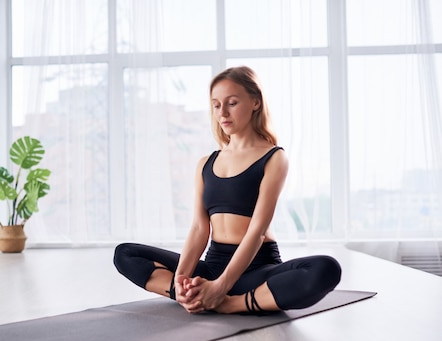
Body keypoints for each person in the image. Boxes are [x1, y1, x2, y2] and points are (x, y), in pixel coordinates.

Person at [113, 66, 341, 315]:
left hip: (255, 269)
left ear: (255, 102)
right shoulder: (206, 163)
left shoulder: (274, 157)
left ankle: (229, 303)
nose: (222, 112)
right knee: (125, 254)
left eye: (232, 103)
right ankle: (193, 296)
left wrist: (222, 288)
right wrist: (181, 280)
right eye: (216, 105)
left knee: (325, 269)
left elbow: (257, 231)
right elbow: (200, 229)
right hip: (213, 266)